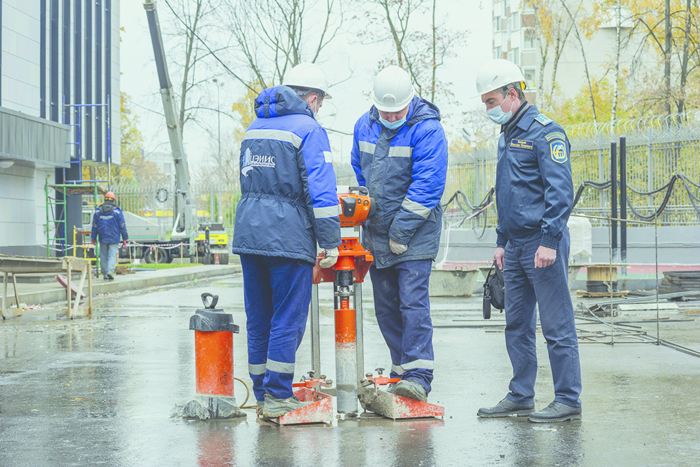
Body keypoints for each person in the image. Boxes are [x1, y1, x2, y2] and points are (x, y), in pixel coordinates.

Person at [231, 63, 342, 419]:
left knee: (259, 316)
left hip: (250, 235)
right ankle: (280, 394)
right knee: (287, 318)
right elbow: (321, 191)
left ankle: (263, 394)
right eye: (320, 102)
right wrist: (330, 241)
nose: (319, 109)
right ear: (312, 97)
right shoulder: (309, 129)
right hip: (288, 237)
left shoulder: (253, 128)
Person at [474, 59, 582, 423]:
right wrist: (502, 241)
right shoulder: (507, 134)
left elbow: (560, 191)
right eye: (485, 102)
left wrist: (550, 241)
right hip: (516, 245)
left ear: (512, 94)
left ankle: (568, 399)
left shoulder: (545, 133)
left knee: (556, 326)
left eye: (491, 101)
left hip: (541, 242)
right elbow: (507, 193)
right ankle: (521, 394)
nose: (488, 108)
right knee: (516, 324)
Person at [350, 66, 448, 402]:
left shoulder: (427, 130)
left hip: (414, 236)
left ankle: (419, 375)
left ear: (411, 102)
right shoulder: (364, 125)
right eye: (385, 110)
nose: (391, 115)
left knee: (412, 304)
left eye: (397, 110)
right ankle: (402, 370)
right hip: (376, 234)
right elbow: (359, 170)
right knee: (386, 307)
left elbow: (428, 186)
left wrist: (401, 231)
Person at [91, 191, 128, 281]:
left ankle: (104, 273)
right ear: (113, 200)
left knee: (103, 255)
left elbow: (94, 225)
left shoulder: (98, 211)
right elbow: (122, 225)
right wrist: (125, 238)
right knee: (112, 255)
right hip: (114, 237)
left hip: (102, 236)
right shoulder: (117, 212)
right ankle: (110, 272)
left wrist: (93, 237)